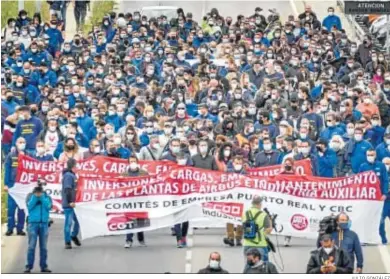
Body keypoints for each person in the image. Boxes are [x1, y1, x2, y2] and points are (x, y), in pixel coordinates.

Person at [359, 149, 389, 244]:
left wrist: (384, 193)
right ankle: (366, 238)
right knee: (366, 218)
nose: (370, 156)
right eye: (368, 154)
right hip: (367, 198)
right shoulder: (363, 166)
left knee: (379, 219)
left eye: (372, 154)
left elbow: (385, 180)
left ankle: (383, 239)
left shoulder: (381, 166)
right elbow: (358, 181)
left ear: (375, 155)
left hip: (379, 198)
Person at [24, 179, 52, 273]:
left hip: (44, 224)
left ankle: (44, 266)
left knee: (43, 247)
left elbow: (48, 207)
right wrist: (35, 197)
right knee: (31, 246)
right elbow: (29, 207)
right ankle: (28, 266)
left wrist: (42, 197)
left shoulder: (46, 196)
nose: (39, 190)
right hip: (33, 224)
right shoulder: (30, 196)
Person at [122, 156, 148, 248]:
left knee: (141, 221)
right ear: (128, 163)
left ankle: (141, 240)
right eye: (131, 161)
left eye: (134, 161)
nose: (132, 163)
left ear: (137, 162)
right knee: (129, 221)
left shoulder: (143, 173)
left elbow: (148, 185)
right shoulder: (124, 174)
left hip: (141, 201)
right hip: (129, 201)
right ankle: (128, 240)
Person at [4, 137, 27, 236]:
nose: (21, 144)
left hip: (22, 186)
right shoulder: (11, 155)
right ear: (16, 143)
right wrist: (6, 184)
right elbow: (7, 170)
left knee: (21, 208)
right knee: (11, 208)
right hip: (12, 185)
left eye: (23, 142)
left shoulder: (28, 155)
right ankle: (10, 228)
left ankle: (20, 228)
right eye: (20, 142)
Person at [242, 196, 272, 262]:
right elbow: (269, 230)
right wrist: (270, 221)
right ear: (260, 204)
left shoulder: (245, 213)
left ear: (252, 203)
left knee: (250, 267)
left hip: (247, 244)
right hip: (260, 245)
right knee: (263, 268)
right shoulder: (264, 214)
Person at [223, 155, 246, 247]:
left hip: (242, 198)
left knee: (242, 218)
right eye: (236, 163)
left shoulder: (246, 173)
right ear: (233, 163)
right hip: (230, 198)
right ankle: (230, 237)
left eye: (240, 163)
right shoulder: (228, 172)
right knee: (229, 217)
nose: (238, 165)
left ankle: (239, 237)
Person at [62, 158, 81, 249]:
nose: (77, 167)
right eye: (76, 165)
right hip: (69, 204)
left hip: (74, 203)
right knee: (68, 223)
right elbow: (67, 189)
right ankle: (67, 241)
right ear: (73, 166)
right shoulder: (69, 176)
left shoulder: (73, 175)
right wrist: (70, 202)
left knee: (78, 221)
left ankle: (73, 235)